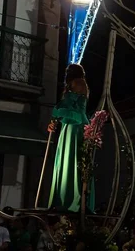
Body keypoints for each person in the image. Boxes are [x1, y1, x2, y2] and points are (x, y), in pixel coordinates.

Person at [47, 64, 93, 212]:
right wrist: (55, 119)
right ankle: (65, 197)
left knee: (72, 160)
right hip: (70, 125)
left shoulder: (78, 83)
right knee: (68, 159)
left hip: (75, 125)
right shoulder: (73, 85)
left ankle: (70, 199)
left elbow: (74, 110)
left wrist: (57, 113)